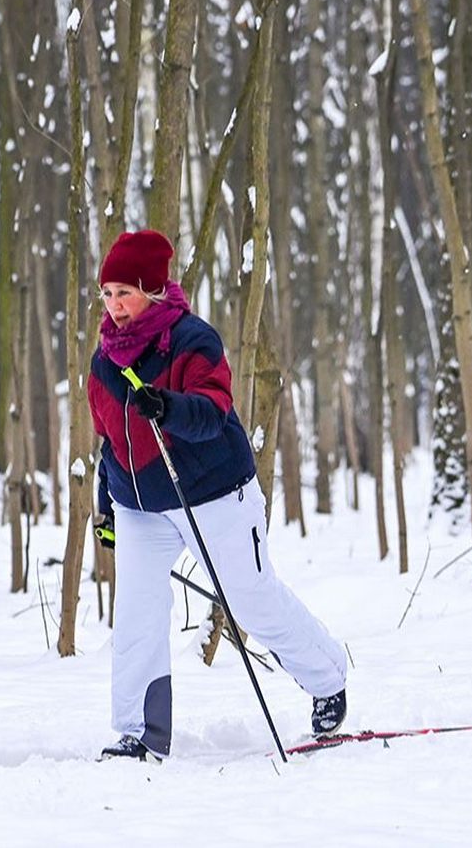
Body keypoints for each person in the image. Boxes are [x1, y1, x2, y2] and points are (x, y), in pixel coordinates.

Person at [88, 230, 348, 762]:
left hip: (213, 492)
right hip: (141, 506)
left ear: (155, 291)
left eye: (125, 293)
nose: (115, 307)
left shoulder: (192, 340)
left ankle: (327, 678)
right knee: (136, 612)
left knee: (251, 599)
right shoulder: (104, 360)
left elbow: (213, 409)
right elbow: (108, 438)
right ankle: (141, 731)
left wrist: (170, 407)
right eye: (108, 293)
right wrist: (107, 502)